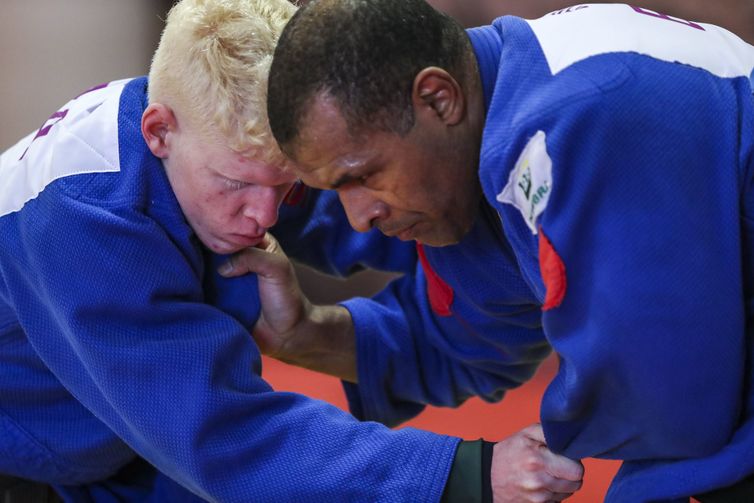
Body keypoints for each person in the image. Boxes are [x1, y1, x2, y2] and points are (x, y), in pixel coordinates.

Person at [0, 0, 584, 501]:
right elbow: (222, 437)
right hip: (35, 462)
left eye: (287, 187)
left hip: (114, 442)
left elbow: (416, 224)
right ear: (157, 132)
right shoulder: (83, 219)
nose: (265, 216)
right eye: (237, 186)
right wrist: (461, 477)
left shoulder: (227, 137)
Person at [226, 0, 754, 501]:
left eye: (362, 176)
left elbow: (673, 407)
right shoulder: (482, 154)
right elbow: (465, 342)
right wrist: (305, 333)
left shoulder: (581, 112)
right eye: (334, 191)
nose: (359, 214)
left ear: (437, 98)